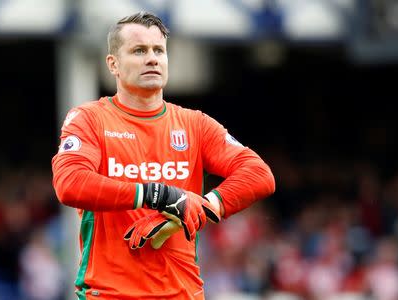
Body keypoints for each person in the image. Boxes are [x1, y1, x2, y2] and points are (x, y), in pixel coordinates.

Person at [51, 11, 275, 300]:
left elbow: (259, 174)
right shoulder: (89, 118)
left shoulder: (194, 124)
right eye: (139, 51)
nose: (152, 58)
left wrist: (202, 206)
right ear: (113, 64)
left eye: (159, 50)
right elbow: (70, 184)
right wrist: (159, 195)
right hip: (108, 295)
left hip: (182, 294)